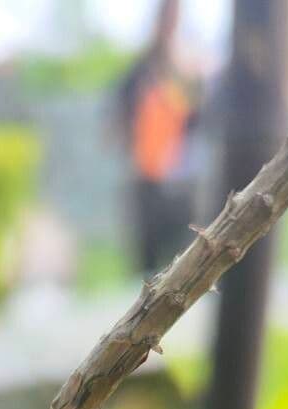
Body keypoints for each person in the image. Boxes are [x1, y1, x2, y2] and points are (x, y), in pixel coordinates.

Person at [115, 0, 202, 274]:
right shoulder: (140, 70)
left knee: (183, 261)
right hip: (147, 179)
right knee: (147, 266)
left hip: (180, 179)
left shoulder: (188, 69)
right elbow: (119, 117)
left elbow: (198, 121)